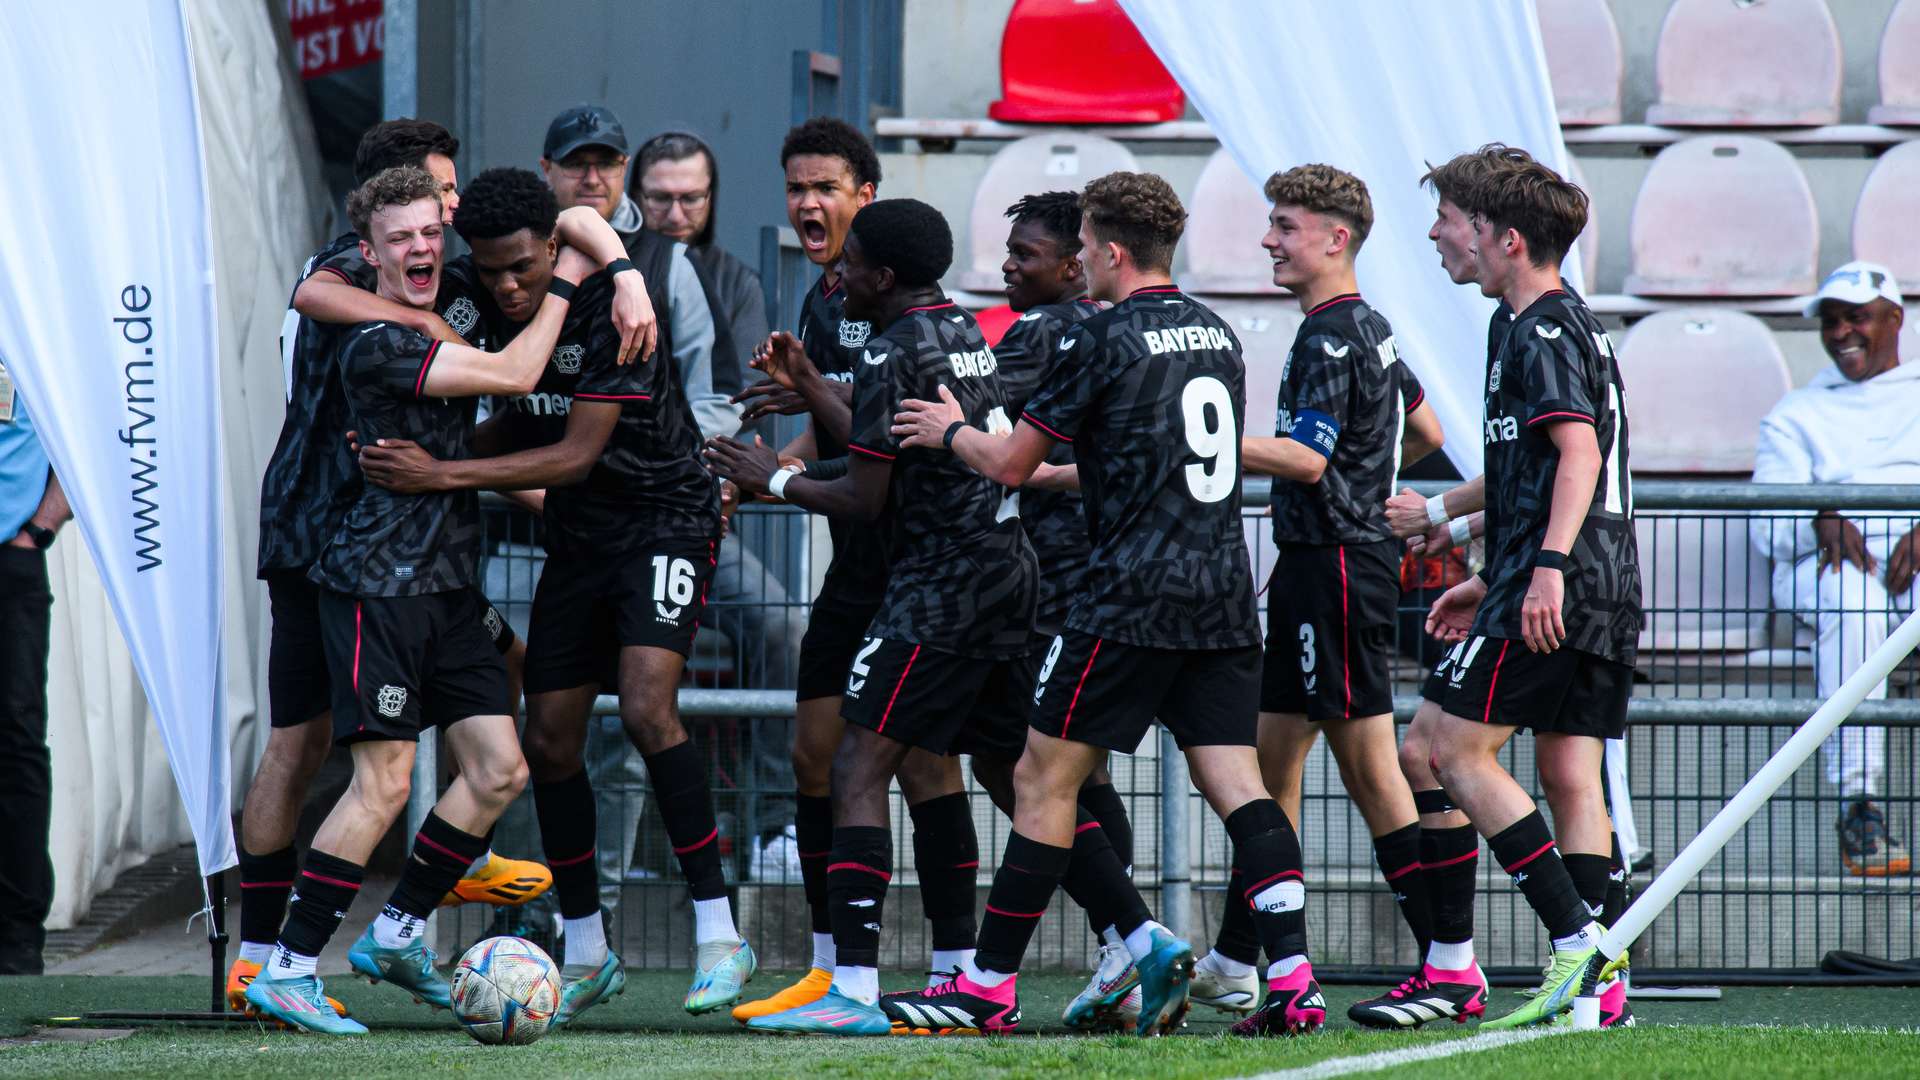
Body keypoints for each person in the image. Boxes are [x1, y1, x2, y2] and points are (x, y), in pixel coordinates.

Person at [891, 171, 1324, 1039]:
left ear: (1114, 250)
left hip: (1127, 597)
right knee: (1240, 786)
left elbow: (1008, 463)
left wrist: (949, 432)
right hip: (1221, 595)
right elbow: (1154, 455)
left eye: (1085, 244)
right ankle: (1294, 982)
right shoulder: (1215, 332)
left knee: (1039, 778)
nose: (1080, 258)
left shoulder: (1100, 336)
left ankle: (986, 987)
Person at [339, 165, 755, 1023]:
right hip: (579, 536)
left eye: (523, 267)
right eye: (491, 270)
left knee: (646, 707)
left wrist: (439, 472)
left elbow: (574, 453)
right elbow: (514, 408)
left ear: (553, 250)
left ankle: (720, 935)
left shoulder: (611, 306)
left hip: (665, 519)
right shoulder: (471, 293)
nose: (507, 286)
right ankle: (590, 951)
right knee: (552, 738)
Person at [235, 118, 606, 1016]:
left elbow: (468, 435)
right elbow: (515, 375)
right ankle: (282, 967)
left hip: (444, 581)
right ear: (367, 250)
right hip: (375, 583)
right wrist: (576, 272)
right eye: (402, 235)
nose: (423, 244)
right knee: (373, 775)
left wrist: (615, 265)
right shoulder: (379, 339)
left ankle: (399, 931)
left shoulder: (438, 300)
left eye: (434, 228)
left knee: (500, 766)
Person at [705, 198, 1040, 1035]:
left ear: (884, 276)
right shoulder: (958, 328)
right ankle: (1122, 938)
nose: (839, 272)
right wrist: (813, 390)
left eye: (852, 262)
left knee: (861, 767)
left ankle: (852, 988)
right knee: (1012, 771)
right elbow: (880, 437)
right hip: (1000, 574)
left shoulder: (892, 346)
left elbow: (864, 495)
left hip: (942, 586)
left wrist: (769, 476)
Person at [727, 118, 976, 1022]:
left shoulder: (906, 308)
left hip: (917, 570)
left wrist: (780, 470)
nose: (807, 204)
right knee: (815, 753)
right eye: (796, 187)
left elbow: (878, 440)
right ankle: (829, 965)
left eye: (825, 187)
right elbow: (841, 429)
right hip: (855, 566)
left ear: (864, 197)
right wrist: (762, 469)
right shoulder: (823, 301)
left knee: (926, 768)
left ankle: (954, 965)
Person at [1194, 163, 1450, 1023]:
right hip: (1326, 564)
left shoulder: (1328, 337)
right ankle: (1240, 958)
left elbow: (1306, 458)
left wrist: (1188, 437)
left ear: (1336, 239)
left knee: (1372, 769)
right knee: (1269, 770)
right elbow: (1424, 429)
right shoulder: (1370, 326)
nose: (1268, 239)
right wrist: (1365, 483)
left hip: (1336, 568)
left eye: (1285, 226)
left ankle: (1448, 962)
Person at [1407, 149, 1640, 1030]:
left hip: (1564, 575)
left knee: (1442, 749)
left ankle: (1579, 941)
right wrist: (1484, 566)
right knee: (1569, 770)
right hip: (1597, 574)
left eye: (1449, 219)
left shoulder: (1538, 330)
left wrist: (1541, 569)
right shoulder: (1544, 323)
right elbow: (1532, 467)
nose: (1437, 234)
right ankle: (1600, 994)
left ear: (1503, 237)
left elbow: (1579, 453)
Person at [964, 191, 1148, 1033]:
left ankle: (1126, 941)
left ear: (1077, 263)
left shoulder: (1041, 333)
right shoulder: (1109, 329)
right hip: (1096, 579)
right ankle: (1128, 947)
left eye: (1025, 254)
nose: (1009, 266)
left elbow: (982, 431)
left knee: (1023, 766)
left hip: (1048, 588)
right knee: (1059, 771)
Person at [634, 129, 805, 878]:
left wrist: (699, 477)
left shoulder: (732, 279)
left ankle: (773, 828)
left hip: (695, 511)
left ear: (712, 199)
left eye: (691, 198)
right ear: (635, 197)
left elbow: (744, 399)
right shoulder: (605, 270)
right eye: (660, 198)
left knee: (782, 628)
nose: (676, 213)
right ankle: (616, 856)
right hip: (603, 519)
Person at [1752, 260, 1918, 877]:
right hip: (1827, 566)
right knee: (1854, 599)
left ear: (1894, 319)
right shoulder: (1797, 413)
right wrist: (1817, 516)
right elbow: (1767, 530)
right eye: (1831, 322)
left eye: (1857, 318)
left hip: (1911, 563)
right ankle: (1859, 804)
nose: (1842, 332)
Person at [0, 375, 70, 976]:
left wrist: (38, 530)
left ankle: (18, 936)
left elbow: (85, 439)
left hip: (10, 562)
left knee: (16, 742)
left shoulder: (32, 333)